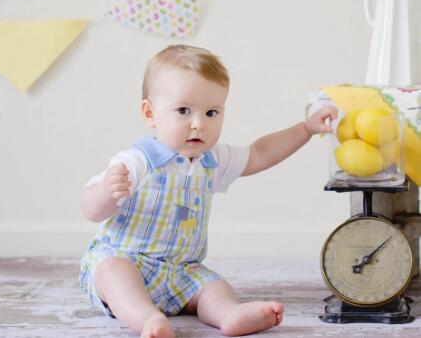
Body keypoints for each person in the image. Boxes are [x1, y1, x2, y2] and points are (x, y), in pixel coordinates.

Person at [79, 44, 336, 338]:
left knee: (212, 286)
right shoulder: (138, 161)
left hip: (180, 271)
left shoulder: (211, 160)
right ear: (150, 113)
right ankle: (147, 319)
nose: (199, 124)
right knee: (114, 272)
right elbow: (90, 209)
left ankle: (229, 314)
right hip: (127, 260)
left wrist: (305, 129)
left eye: (212, 112)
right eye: (183, 110)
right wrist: (107, 192)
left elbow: (261, 153)